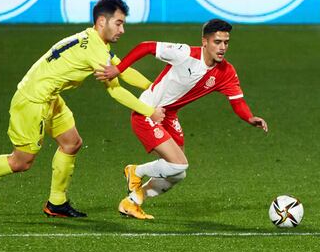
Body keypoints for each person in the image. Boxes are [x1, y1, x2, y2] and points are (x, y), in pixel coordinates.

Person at [0, 0, 165, 218]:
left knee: (71, 143)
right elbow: (115, 90)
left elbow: (122, 69)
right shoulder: (95, 50)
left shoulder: (94, 41)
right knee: (21, 162)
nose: (122, 29)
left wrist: (152, 86)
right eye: (119, 23)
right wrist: (150, 112)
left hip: (49, 97)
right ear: (102, 21)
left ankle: (56, 203)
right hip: (32, 101)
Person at [95, 19, 268, 219]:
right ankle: (135, 171)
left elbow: (237, 101)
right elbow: (147, 47)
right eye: (217, 42)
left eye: (226, 43)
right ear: (205, 41)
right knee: (179, 164)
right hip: (148, 112)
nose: (222, 48)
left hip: (169, 115)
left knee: (177, 173)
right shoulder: (184, 54)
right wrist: (119, 69)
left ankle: (132, 202)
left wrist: (249, 117)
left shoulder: (226, 72)